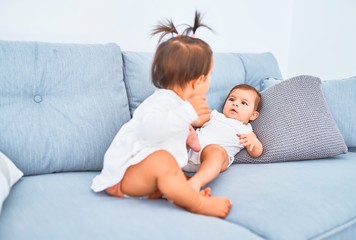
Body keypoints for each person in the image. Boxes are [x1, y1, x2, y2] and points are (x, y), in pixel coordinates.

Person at [91, 11, 232, 218]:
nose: (210, 79)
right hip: (124, 176)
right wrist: (186, 114)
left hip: (144, 181)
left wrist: (190, 135)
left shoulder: (176, 105)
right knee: (163, 161)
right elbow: (151, 130)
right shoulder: (162, 100)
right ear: (198, 81)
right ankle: (196, 203)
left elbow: (172, 132)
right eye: (210, 74)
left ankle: (183, 193)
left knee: (176, 172)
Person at [184, 84, 263, 192]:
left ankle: (196, 182)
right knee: (183, 130)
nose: (235, 103)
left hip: (213, 160)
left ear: (253, 115)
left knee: (215, 150)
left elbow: (257, 152)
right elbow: (196, 120)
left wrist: (252, 142)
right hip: (186, 151)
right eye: (232, 99)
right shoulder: (215, 115)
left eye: (243, 103)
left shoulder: (246, 130)